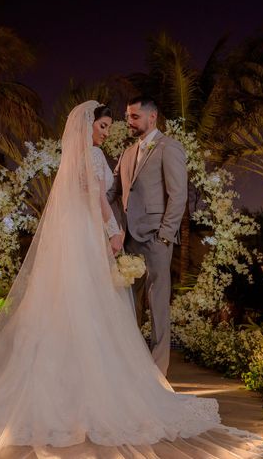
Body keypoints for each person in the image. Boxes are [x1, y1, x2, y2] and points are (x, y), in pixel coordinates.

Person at [0, 101, 263, 458]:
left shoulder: (91, 156)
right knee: (99, 307)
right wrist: (113, 230)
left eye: (118, 123)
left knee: (85, 305)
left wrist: (144, 230)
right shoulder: (98, 157)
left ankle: (102, 377)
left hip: (104, 236)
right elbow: (102, 198)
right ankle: (112, 383)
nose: (110, 131)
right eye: (103, 125)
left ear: (150, 119)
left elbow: (138, 194)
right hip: (100, 234)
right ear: (88, 125)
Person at [107, 95, 185, 375]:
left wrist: (165, 235)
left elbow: (178, 196)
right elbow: (113, 192)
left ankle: (157, 372)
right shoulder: (128, 153)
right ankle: (131, 369)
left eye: (134, 117)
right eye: (127, 116)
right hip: (128, 239)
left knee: (158, 305)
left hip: (156, 238)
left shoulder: (169, 148)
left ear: (152, 117)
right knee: (127, 305)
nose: (129, 122)